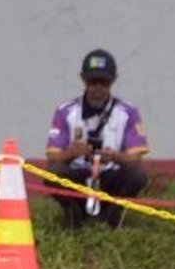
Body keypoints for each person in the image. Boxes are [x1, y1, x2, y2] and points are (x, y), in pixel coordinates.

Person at [45, 49, 149, 229]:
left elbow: (135, 158)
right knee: (53, 173)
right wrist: (72, 153)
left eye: (104, 82)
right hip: (78, 175)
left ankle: (113, 215)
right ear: (83, 79)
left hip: (110, 175)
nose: (98, 87)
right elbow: (53, 157)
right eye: (93, 81)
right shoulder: (66, 111)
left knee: (137, 175)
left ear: (113, 80)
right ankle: (73, 214)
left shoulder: (127, 112)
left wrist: (115, 157)